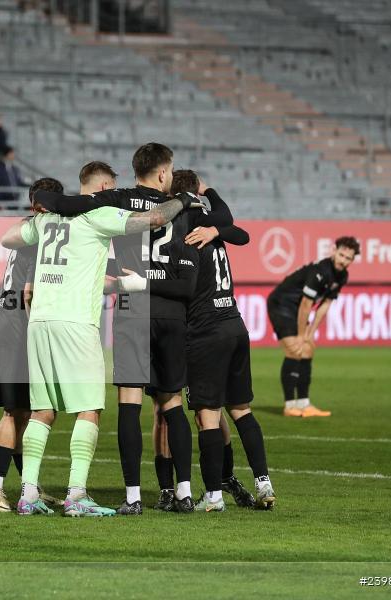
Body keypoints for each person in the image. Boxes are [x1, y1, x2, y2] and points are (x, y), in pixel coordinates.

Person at [34, 145, 243, 515]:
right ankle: (181, 492)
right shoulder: (184, 206)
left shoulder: (116, 199)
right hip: (173, 316)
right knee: (172, 403)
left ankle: (133, 497)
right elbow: (226, 221)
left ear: (136, 171)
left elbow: (62, 204)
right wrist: (203, 194)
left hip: (132, 311)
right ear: (164, 173)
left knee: (128, 405)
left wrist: (40, 198)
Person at [0, 173, 198, 517]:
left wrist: (39, 218)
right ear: (105, 188)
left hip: (40, 322)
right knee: (89, 408)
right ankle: (76, 495)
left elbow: (8, 238)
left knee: (42, 409)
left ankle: (28, 494)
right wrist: (185, 198)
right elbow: (156, 218)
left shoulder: (47, 220)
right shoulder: (99, 215)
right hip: (76, 322)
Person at [172, 169, 277, 510]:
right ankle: (264, 484)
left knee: (207, 415)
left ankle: (214, 495)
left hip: (206, 331)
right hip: (234, 324)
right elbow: (242, 233)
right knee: (242, 410)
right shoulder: (214, 223)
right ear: (198, 191)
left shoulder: (183, 225)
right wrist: (212, 200)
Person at [0, 177, 63, 513]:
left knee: (23, 411)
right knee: (16, 412)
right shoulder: (42, 234)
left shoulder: (27, 229)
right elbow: (29, 293)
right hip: (18, 327)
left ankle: (30, 487)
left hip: (5, 323)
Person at [268, 236, 360, 418]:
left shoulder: (342, 276)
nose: (343, 260)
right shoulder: (321, 271)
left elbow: (324, 305)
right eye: (341, 255)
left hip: (297, 309)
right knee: (295, 349)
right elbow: (305, 304)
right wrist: (302, 335)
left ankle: (304, 404)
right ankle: (289, 406)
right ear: (334, 251)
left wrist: (310, 334)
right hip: (282, 305)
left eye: (348, 258)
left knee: (308, 349)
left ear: (352, 260)